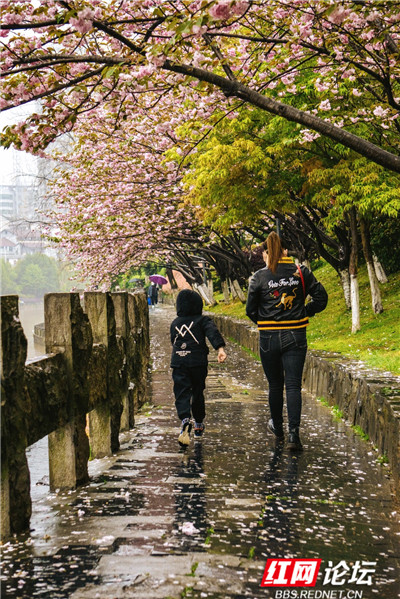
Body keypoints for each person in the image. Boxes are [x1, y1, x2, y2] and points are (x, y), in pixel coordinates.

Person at [246, 232, 328, 450]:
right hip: (296, 335)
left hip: (268, 338)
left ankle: (278, 428)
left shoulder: (258, 277)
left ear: (266, 253)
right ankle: (294, 435)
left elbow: (250, 310)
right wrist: (304, 311)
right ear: (285, 251)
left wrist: (263, 321)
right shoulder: (301, 272)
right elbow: (322, 298)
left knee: (275, 384)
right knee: (293, 385)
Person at [170, 289, 227, 447]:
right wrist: (220, 349)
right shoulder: (203, 320)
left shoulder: (175, 323)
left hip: (179, 362)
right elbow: (213, 333)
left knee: (181, 392)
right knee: (197, 392)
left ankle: (185, 419)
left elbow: (172, 341)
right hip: (197, 362)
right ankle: (199, 423)